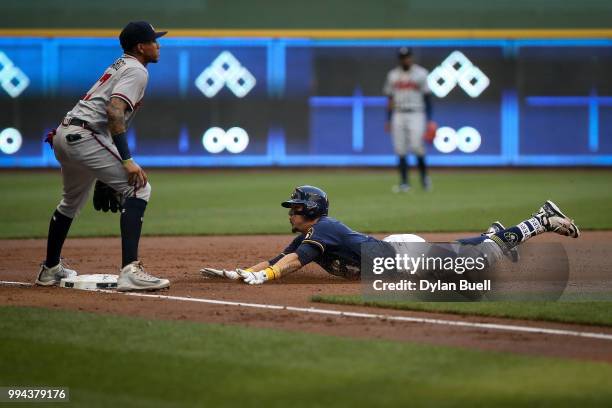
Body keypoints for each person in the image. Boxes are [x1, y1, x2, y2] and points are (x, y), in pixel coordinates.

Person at [201, 186, 580, 286]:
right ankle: (490, 235)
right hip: (398, 255)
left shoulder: (325, 231)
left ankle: (541, 220)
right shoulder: (316, 233)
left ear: (312, 210)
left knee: (484, 260)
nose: (291, 212)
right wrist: (239, 272)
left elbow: (288, 265)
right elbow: (276, 260)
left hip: (403, 257)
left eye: (296, 207)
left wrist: (265, 277)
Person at [36, 21, 170, 291]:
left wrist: (103, 176)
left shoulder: (121, 64)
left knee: (70, 202)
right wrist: (126, 159)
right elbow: (114, 111)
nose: (158, 45)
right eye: (154, 40)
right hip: (86, 135)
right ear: (140, 47)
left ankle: (50, 270)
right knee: (139, 189)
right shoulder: (136, 70)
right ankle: (130, 270)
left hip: (66, 135)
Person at [383, 47, 434, 192]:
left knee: (417, 146)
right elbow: (390, 98)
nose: (405, 59)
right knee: (400, 148)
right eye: (403, 57)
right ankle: (404, 182)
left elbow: (427, 97)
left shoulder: (421, 73)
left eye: (407, 57)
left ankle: (424, 179)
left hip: (416, 112)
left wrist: (430, 120)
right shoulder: (392, 75)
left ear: (411, 58)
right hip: (398, 113)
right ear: (399, 59)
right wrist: (388, 119)